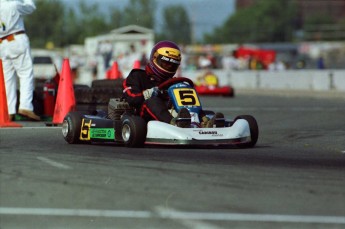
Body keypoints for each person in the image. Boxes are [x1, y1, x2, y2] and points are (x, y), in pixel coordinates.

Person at [122, 40, 224, 128]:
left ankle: (203, 121)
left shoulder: (173, 82)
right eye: (165, 63)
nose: (168, 67)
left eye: (172, 65)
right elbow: (131, 97)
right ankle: (175, 124)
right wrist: (148, 93)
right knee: (153, 101)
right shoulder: (138, 76)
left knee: (188, 99)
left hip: (172, 113)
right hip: (142, 116)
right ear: (154, 58)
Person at [0, 0, 40, 121]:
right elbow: (31, 7)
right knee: (25, 74)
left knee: (8, 79)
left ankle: (9, 110)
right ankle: (25, 106)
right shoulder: (15, 5)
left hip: (2, 43)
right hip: (17, 39)